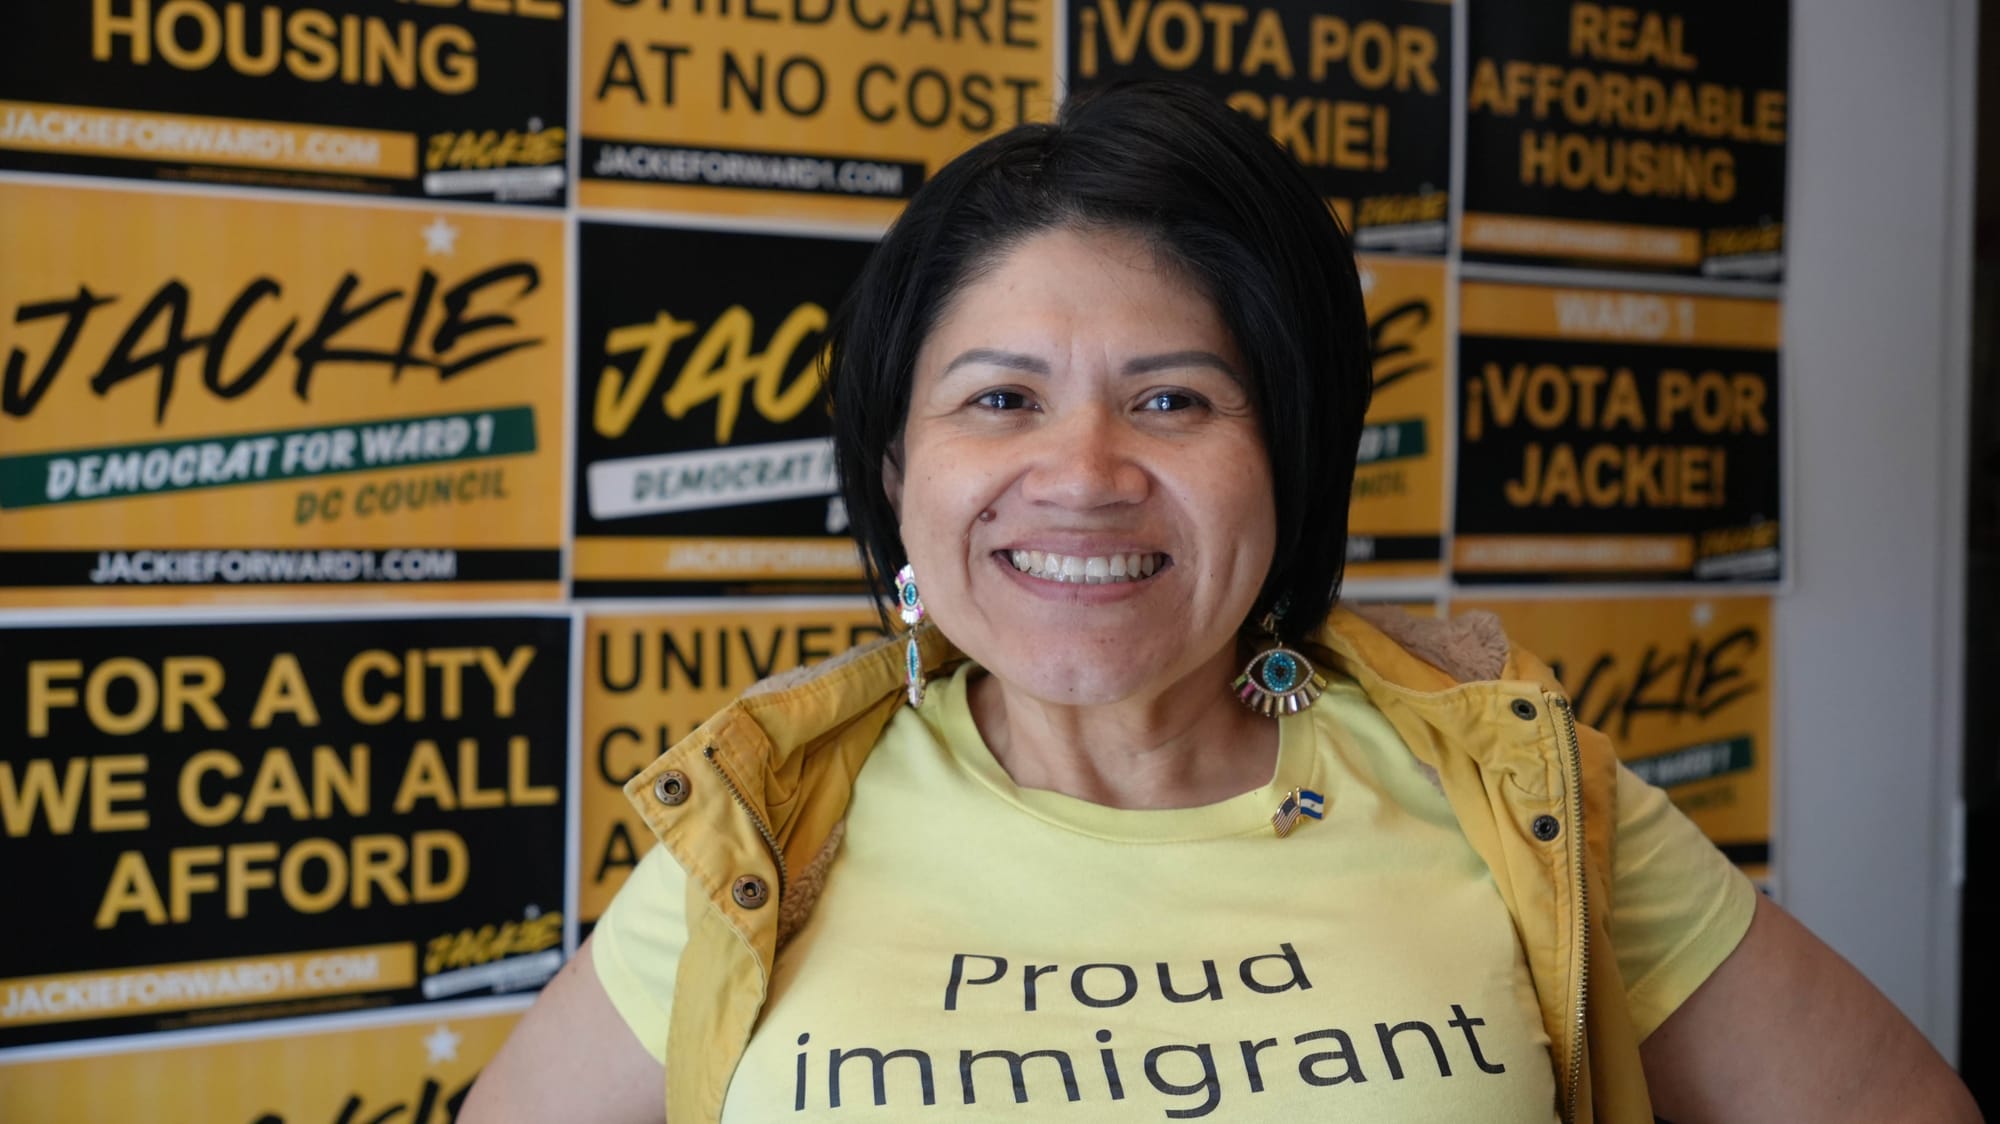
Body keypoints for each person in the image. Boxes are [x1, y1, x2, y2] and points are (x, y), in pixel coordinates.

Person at [466, 82, 1979, 1122]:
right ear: (897, 471)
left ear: (1291, 459)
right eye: (1000, 400)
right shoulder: (764, 835)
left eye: (1173, 399)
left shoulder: (1522, 802)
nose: (1083, 472)